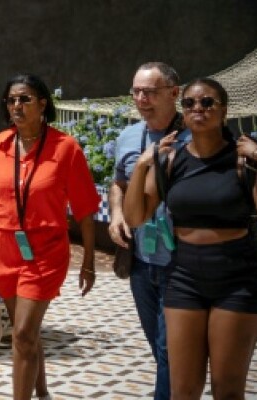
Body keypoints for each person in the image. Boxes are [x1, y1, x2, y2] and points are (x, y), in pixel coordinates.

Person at [124, 78, 257, 400]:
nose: (198, 109)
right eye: (190, 104)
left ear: (223, 111)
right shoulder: (169, 160)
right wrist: (141, 165)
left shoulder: (243, 160)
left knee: (228, 391)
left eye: (207, 103)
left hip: (237, 278)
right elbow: (136, 217)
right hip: (184, 277)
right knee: (183, 391)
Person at [0, 73, 100, 400]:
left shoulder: (65, 149)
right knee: (25, 332)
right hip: (2, 251)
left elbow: (84, 210)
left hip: (45, 252)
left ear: (43, 104)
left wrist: (90, 262)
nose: (17, 106)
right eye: (11, 100)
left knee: (24, 334)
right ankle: (42, 392)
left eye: (25, 99)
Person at [109, 62, 187, 400]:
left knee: (169, 348)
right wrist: (115, 214)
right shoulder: (129, 136)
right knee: (161, 349)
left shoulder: (195, 136)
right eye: (137, 91)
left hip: (183, 261)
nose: (142, 98)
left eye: (150, 92)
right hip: (141, 260)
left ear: (174, 93)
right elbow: (118, 183)